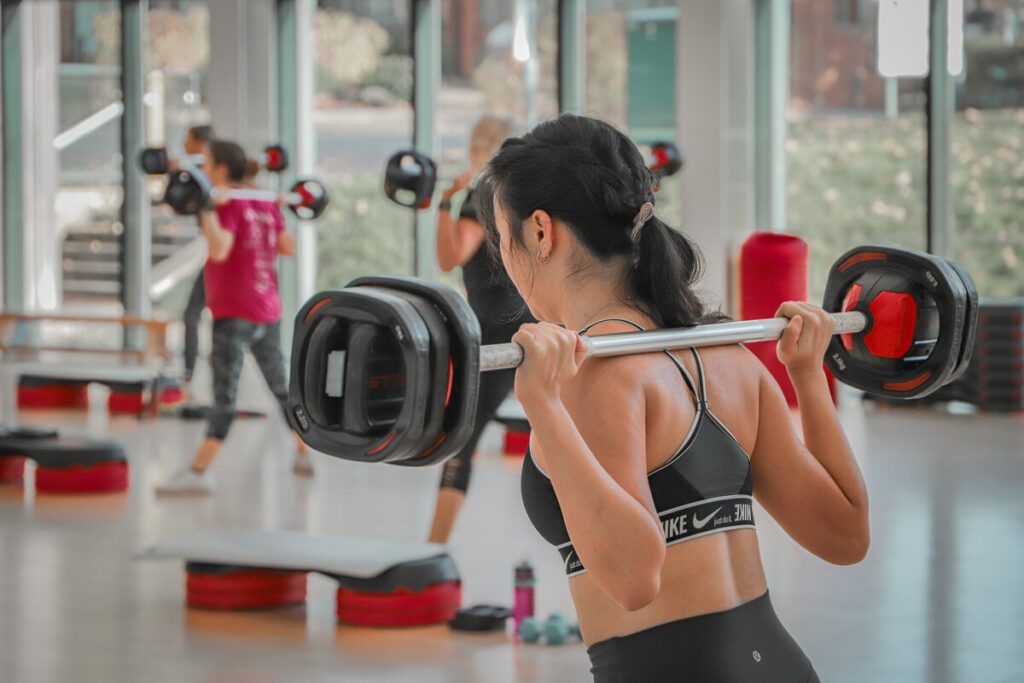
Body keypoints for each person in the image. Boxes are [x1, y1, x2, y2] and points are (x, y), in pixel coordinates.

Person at [476, 115, 869, 682]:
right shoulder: (731, 358)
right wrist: (808, 376)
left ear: (540, 232)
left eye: (502, 237)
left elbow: (634, 581)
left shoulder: (596, 372)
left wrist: (544, 404)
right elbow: (846, 535)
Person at [157, 140, 313, 495]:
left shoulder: (226, 203)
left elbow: (219, 249)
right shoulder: (260, 202)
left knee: (224, 399)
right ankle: (306, 454)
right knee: (282, 390)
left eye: (208, 164)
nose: (204, 171)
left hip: (236, 314)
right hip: (267, 312)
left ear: (222, 168)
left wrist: (208, 211)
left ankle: (197, 474)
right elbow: (289, 248)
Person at [427, 116, 533, 543]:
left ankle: (432, 549)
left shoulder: (481, 197)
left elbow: (451, 256)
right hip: (531, 321)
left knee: (460, 439)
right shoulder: (519, 196)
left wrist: (444, 203)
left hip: (496, 332)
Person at [178, 125, 216, 392]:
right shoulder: (199, 174)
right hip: (215, 259)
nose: (183, 144)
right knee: (193, 315)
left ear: (200, 143)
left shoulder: (208, 177)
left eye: (188, 141)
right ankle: (189, 373)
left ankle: (189, 373)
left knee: (193, 314)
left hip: (221, 261)